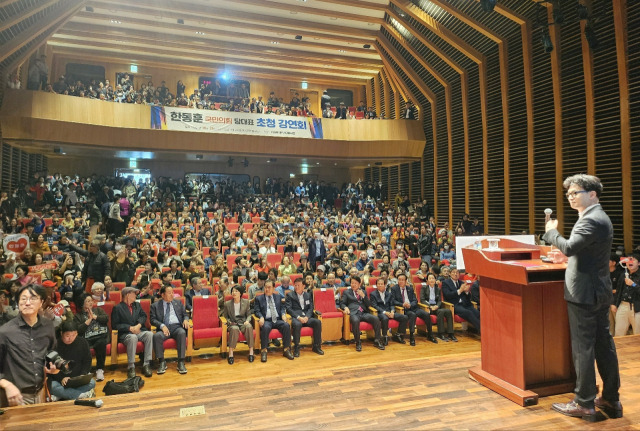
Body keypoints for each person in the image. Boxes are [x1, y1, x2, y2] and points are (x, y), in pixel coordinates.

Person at [543, 174, 621, 420]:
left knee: (583, 348)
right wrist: (569, 258)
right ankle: (610, 398)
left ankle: (584, 401)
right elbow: (582, 252)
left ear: (593, 194)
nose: (570, 196)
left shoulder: (592, 219)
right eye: (568, 194)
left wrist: (551, 233)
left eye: (575, 192)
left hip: (585, 293)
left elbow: (568, 247)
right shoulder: (596, 217)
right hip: (597, 291)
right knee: (603, 345)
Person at [0, 284, 59, 407]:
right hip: (16, 397)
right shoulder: (5, 332)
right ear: (18, 303)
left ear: (41, 302)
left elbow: (52, 352)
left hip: (41, 392)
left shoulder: (48, 326)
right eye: (23, 299)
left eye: (32, 298)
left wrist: (53, 365)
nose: (27, 303)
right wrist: (7, 385)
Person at [111, 286, 153, 378]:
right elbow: (115, 325)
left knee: (149, 334)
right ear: (127, 295)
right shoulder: (117, 308)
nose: (136, 295)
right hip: (126, 334)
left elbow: (143, 316)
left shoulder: (137, 305)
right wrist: (129, 328)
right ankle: (131, 367)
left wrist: (138, 325)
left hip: (138, 330)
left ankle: (146, 364)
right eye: (134, 293)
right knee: (132, 337)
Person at [48, 320, 96, 401]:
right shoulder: (54, 345)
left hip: (77, 378)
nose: (70, 338)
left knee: (92, 382)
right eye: (67, 335)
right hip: (60, 380)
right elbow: (51, 366)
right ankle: (82, 395)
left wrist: (83, 375)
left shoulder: (83, 342)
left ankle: (64, 395)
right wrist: (61, 378)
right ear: (61, 333)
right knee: (53, 387)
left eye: (74, 335)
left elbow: (87, 361)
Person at [150, 286, 189, 375]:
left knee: (182, 332)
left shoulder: (178, 303)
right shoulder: (155, 306)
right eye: (169, 293)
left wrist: (186, 319)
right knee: (157, 336)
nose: (172, 294)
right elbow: (152, 319)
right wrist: (162, 325)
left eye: (172, 292)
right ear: (163, 295)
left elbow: (185, 314)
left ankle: (181, 362)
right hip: (164, 328)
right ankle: (162, 362)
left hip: (176, 327)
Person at [391, 272, 438, 344]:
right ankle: (411, 336)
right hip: (404, 309)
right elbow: (393, 300)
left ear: (406, 281)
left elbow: (415, 300)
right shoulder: (394, 289)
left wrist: (410, 305)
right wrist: (402, 304)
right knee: (412, 315)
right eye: (399, 280)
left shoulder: (410, 288)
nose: (400, 281)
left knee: (426, 314)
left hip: (413, 307)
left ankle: (430, 335)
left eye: (402, 280)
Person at [340, 275, 384, 352]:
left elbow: (368, 305)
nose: (353, 285)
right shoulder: (346, 292)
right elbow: (342, 303)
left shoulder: (363, 292)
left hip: (363, 313)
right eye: (352, 283)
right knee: (355, 321)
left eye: (355, 283)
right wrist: (345, 307)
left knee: (376, 319)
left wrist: (363, 296)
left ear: (359, 284)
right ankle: (358, 342)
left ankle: (377, 340)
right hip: (353, 313)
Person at [254, 280, 294, 362]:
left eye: (269, 287)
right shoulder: (259, 298)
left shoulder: (278, 297)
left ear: (273, 288)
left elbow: (282, 308)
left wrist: (283, 314)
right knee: (265, 327)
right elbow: (256, 311)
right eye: (265, 287)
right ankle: (264, 351)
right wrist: (261, 317)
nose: (267, 289)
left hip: (277, 319)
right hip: (267, 320)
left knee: (286, 325)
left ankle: (286, 349)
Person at [73, 293, 109, 381]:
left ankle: (100, 370)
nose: (90, 302)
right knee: (83, 345)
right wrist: (88, 320)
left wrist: (95, 317)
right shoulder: (78, 316)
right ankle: (86, 370)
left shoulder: (98, 310)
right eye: (87, 301)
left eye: (91, 300)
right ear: (82, 304)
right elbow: (78, 330)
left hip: (99, 337)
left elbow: (106, 318)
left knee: (101, 343)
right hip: (86, 339)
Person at [285, 278, 324, 357]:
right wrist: (298, 317)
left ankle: (316, 346)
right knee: (297, 324)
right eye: (295, 285)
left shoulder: (308, 295)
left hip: (306, 317)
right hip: (296, 318)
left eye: (298, 285)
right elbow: (289, 309)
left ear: (303, 286)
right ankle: (296, 347)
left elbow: (311, 308)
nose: (296, 287)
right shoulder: (290, 295)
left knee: (317, 322)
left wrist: (307, 317)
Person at [370, 278, 409, 345]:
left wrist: (392, 311)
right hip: (380, 313)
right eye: (378, 284)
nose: (380, 285)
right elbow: (374, 306)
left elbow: (392, 304)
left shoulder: (389, 294)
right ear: (376, 285)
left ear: (385, 285)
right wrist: (385, 312)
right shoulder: (373, 294)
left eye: (381, 284)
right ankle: (385, 336)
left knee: (404, 317)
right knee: (385, 318)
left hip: (390, 312)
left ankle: (398, 334)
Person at [222, 285, 254, 364]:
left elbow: (249, 314)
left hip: (243, 322)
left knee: (249, 327)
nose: (234, 293)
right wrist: (229, 322)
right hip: (233, 323)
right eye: (233, 291)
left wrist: (247, 320)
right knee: (234, 329)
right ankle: (231, 353)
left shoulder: (246, 302)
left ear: (240, 293)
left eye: (236, 291)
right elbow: (224, 316)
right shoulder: (227, 304)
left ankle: (251, 351)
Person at [442, 268, 479, 336]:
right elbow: (447, 295)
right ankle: (481, 331)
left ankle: (481, 329)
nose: (455, 274)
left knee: (477, 313)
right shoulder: (445, 283)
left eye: (457, 273)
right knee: (468, 313)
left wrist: (467, 292)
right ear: (450, 274)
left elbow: (468, 298)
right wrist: (460, 291)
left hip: (466, 304)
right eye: (453, 272)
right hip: (455, 305)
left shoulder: (461, 283)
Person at [611, 253, 640, 336]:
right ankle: (619, 349)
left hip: (637, 308)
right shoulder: (623, 275)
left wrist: (633, 284)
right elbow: (619, 291)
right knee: (619, 333)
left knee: (637, 335)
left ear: (638, 263)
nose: (630, 262)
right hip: (623, 305)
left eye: (633, 259)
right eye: (628, 259)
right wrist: (614, 304)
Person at [421, 273, 454, 341]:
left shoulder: (438, 289)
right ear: (427, 280)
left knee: (448, 311)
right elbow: (422, 300)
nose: (432, 280)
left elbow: (439, 300)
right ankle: (440, 333)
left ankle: (450, 333)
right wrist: (430, 306)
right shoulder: (424, 288)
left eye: (433, 278)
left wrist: (437, 306)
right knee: (441, 311)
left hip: (436, 307)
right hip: (428, 308)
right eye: (430, 278)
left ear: (435, 280)